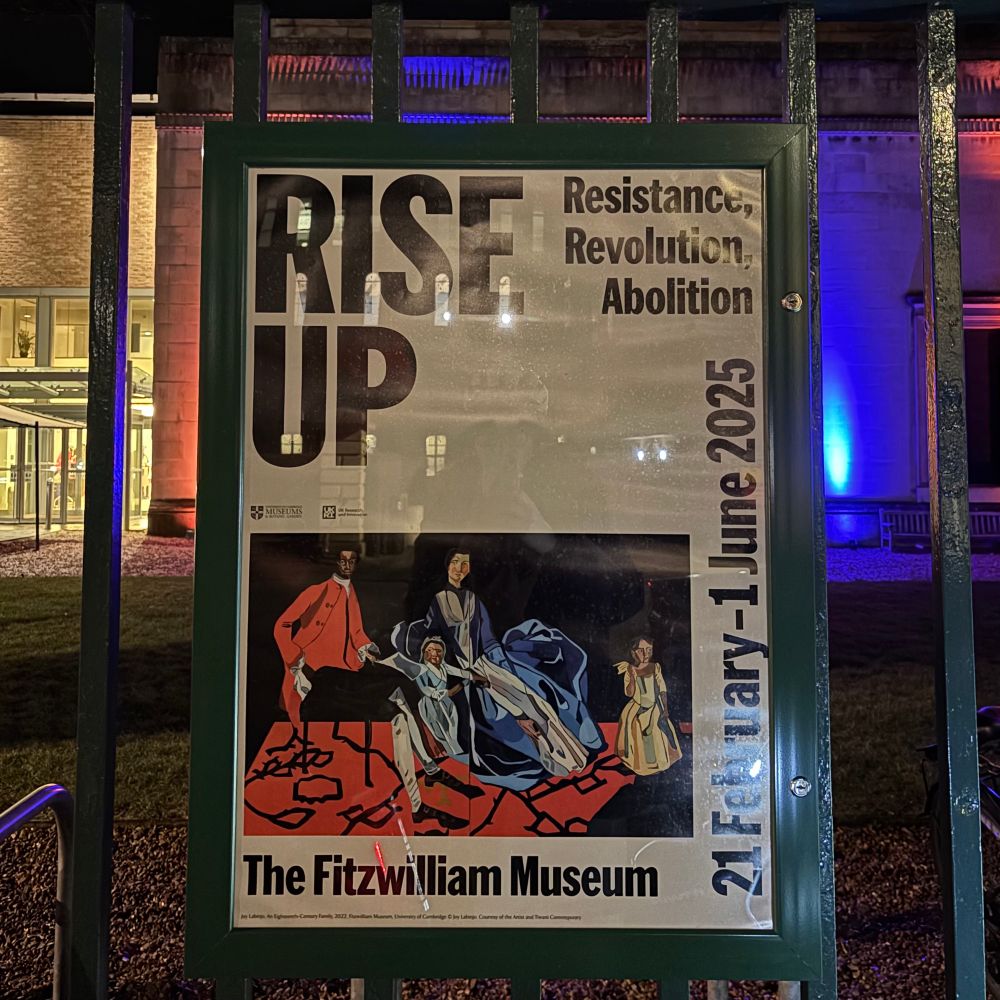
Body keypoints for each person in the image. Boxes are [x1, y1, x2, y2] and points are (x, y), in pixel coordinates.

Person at [273, 546, 474, 828]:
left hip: (346, 673)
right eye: (343, 560)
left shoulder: (349, 591)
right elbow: (281, 626)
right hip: (321, 681)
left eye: (352, 561)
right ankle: (421, 791)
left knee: (404, 691)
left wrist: (365, 646)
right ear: (335, 561)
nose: (347, 565)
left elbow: (355, 631)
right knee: (396, 708)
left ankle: (427, 773)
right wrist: (297, 666)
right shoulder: (315, 591)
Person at [391, 548, 603, 790]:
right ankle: (545, 753)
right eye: (455, 563)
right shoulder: (438, 601)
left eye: (465, 564)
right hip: (463, 668)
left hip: (489, 660)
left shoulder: (473, 599)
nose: (459, 569)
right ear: (447, 565)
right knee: (503, 712)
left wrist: (499, 661)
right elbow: (433, 636)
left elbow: (487, 636)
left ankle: (567, 752)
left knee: (533, 699)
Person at [614, 635, 682, 776]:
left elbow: (662, 688)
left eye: (649, 650)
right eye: (641, 650)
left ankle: (659, 762)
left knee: (656, 730)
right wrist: (632, 676)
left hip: (654, 706)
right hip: (638, 705)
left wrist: (665, 708)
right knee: (630, 726)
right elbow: (629, 692)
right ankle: (634, 762)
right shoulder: (629, 670)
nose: (645, 654)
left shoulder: (655, 667)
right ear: (633, 652)